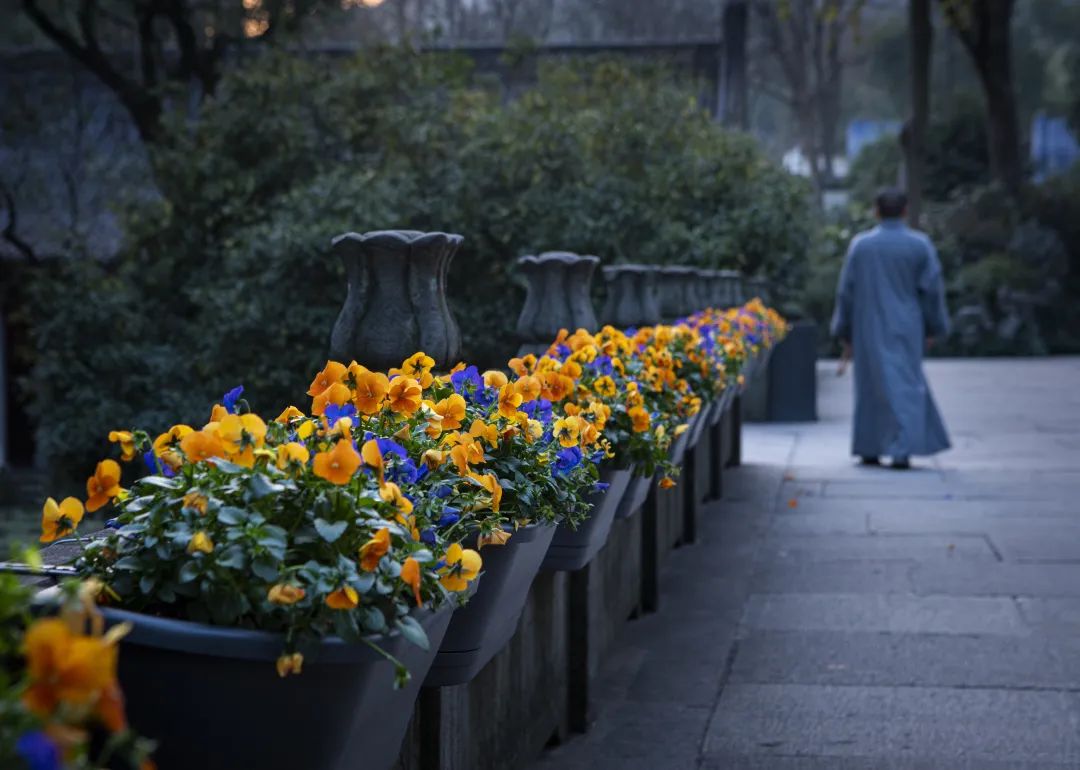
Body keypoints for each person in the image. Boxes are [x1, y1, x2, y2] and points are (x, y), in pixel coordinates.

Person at [831, 188, 950, 469]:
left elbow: (846, 291)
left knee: (870, 384)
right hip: (907, 324)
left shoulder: (861, 246)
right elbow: (932, 290)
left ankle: (869, 446)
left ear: (876, 211)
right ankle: (901, 448)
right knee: (905, 383)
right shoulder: (919, 245)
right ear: (906, 211)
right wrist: (935, 327)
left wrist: (843, 329)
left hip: (868, 323)